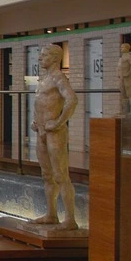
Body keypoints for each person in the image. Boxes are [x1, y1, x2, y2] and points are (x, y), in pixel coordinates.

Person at [30, 45, 78, 229]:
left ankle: (70, 219)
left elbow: (72, 100)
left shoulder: (58, 77)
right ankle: (51, 214)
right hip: (42, 131)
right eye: (40, 55)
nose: (40, 58)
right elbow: (42, 103)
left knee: (60, 175)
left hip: (55, 132)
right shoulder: (44, 79)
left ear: (55, 58)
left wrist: (58, 122)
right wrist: (36, 121)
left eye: (44, 55)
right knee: (47, 175)